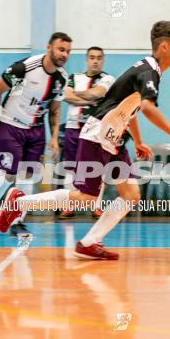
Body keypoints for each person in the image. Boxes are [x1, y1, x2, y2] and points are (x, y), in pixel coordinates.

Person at [0, 20, 170, 260]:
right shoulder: (148, 72)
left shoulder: (148, 70)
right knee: (85, 198)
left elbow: (128, 109)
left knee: (131, 195)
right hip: (98, 134)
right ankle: (20, 203)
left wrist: (139, 141)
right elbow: (146, 106)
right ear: (164, 46)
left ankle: (89, 243)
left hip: (114, 139)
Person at [0, 32, 71, 236]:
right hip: (10, 124)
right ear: (49, 48)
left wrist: (54, 138)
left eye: (68, 51)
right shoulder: (24, 67)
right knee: (9, 174)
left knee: (29, 175)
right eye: (61, 49)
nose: (64, 54)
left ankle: (17, 222)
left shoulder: (62, 79)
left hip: (36, 131)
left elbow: (55, 109)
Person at [59, 46, 115, 218]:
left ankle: (96, 206)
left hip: (95, 131)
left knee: (98, 169)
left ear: (103, 60)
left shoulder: (108, 79)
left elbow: (99, 93)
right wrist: (90, 98)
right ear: (86, 59)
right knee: (70, 168)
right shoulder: (73, 77)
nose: (95, 61)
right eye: (92, 57)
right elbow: (66, 96)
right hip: (73, 129)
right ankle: (69, 206)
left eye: (99, 57)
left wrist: (79, 96)